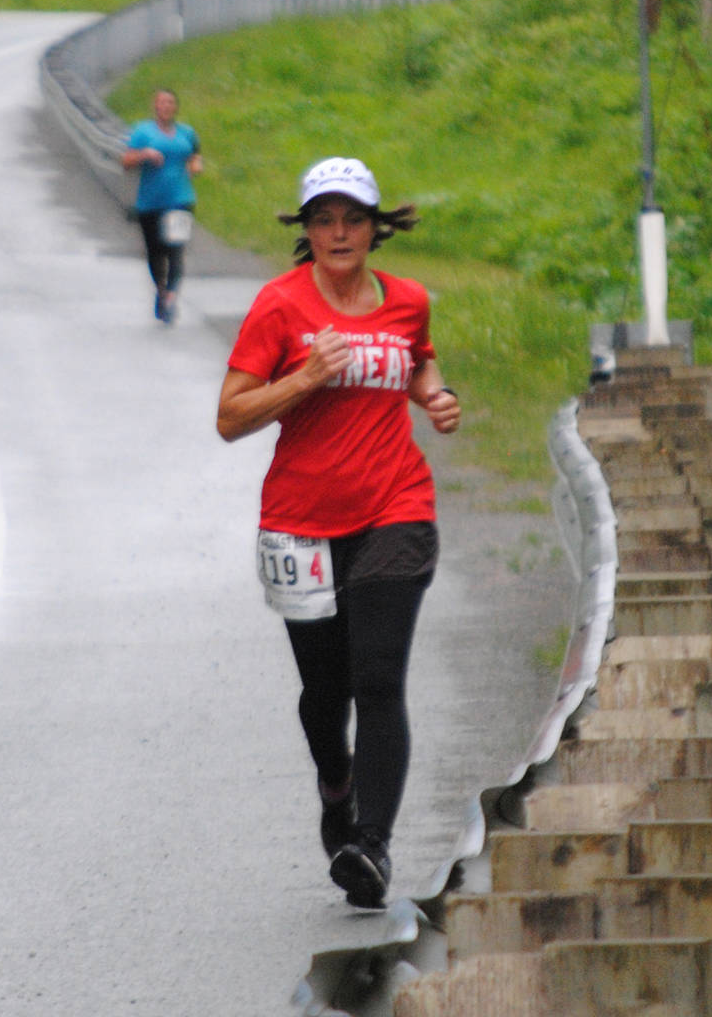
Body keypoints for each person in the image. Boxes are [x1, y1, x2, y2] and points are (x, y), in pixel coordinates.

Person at [216, 157, 461, 909]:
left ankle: (372, 846)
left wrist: (435, 394)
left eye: (353, 218)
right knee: (326, 693)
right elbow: (230, 416)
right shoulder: (279, 307)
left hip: (396, 504)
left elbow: (415, 359)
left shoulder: (407, 299)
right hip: (300, 523)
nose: (339, 232)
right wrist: (303, 379)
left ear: (375, 226)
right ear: (307, 232)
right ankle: (337, 782)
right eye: (323, 220)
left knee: (378, 678)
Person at [120, 88, 204, 324]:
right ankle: (160, 289)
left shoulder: (187, 133)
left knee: (175, 250)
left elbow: (195, 155)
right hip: (150, 203)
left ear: (175, 107)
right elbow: (126, 161)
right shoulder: (142, 132)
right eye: (161, 102)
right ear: (155, 107)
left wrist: (196, 165)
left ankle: (170, 297)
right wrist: (144, 154)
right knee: (155, 252)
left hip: (180, 200)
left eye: (170, 103)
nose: (166, 106)